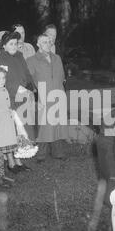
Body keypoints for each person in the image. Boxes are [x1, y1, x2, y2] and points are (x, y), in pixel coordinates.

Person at [0, 30, 35, 173]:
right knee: (10, 131)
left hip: (22, 98)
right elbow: (0, 81)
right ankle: (11, 162)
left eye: (15, 43)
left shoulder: (20, 56)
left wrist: (31, 86)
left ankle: (19, 159)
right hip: (8, 99)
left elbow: (27, 73)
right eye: (11, 44)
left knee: (21, 130)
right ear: (4, 45)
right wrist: (17, 89)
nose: (14, 46)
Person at [26, 34, 69, 162]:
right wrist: (37, 93)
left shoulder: (57, 58)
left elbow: (62, 76)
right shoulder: (32, 60)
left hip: (58, 93)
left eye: (50, 42)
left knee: (58, 124)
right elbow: (30, 80)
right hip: (43, 95)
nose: (48, 44)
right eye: (45, 42)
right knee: (44, 125)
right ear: (38, 44)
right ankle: (41, 154)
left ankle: (58, 152)